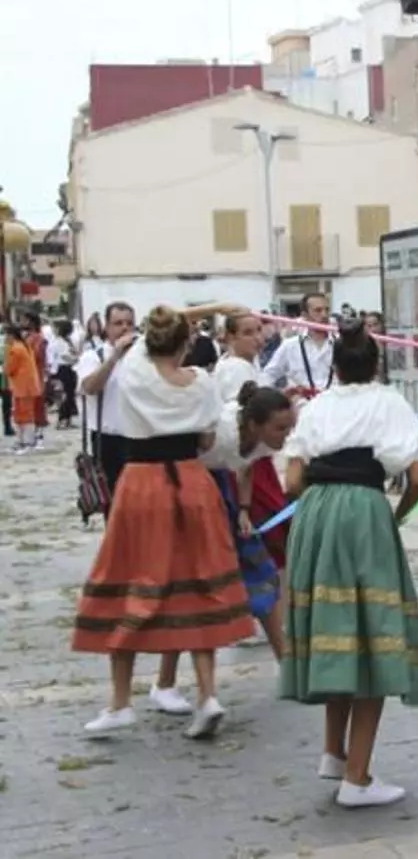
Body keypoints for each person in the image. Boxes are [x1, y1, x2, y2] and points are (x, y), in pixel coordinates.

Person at [72, 303, 255, 739]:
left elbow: (164, 318)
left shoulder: (135, 369)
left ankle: (120, 702)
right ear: (186, 343)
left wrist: (215, 307)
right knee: (200, 582)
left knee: (128, 581)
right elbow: (207, 439)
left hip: (141, 483)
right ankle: (207, 694)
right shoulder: (202, 382)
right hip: (192, 481)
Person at [280, 319, 418, 808]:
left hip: (316, 513)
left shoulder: (318, 406)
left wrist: (320, 504)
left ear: (337, 368)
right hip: (363, 511)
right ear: (375, 363)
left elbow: (292, 482)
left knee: (338, 627)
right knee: (372, 638)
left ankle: (334, 752)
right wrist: (395, 517)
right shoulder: (390, 402)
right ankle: (357, 779)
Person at [198, 382, 295, 659]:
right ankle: (170, 674)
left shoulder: (264, 442)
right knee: (198, 581)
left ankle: (283, 655)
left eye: (289, 428)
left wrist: (244, 509)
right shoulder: (220, 431)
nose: (286, 435)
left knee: (260, 567)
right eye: (280, 429)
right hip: (197, 485)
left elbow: (247, 468)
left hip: (227, 490)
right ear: (254, 425)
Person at [76, 303, 137, 521]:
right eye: (118, 323)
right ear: (107, 327)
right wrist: (114, 358)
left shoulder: (142, 357)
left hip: (138, 437)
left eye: (129, 323)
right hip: (108, 440)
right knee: (113, 506)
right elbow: (90, 387)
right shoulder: (94, 356)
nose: (124, 328)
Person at [263, 292, 335, 398]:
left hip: (334, 404)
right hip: (302, 405)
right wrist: (278, 397)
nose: (324, 315)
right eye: (318, 310)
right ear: (305, 315)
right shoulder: (290, 345)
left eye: (327, 310)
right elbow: (268, 375)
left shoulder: (341, 345)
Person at [4, 326, 42, 454]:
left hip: (23, 387)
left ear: (11, 336)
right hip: (26, 386)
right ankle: (22, 441)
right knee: (22, 415)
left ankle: (27, 442)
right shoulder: (23, 346)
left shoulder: (15, 349)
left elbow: (9, 369)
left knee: (24, 415)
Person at [20, 311, 49, 447]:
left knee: (38, 405)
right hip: (26, 375)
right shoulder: (26, 337)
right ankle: (30, 434)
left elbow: (38, 356)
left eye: (25, 320)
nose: (23, 323)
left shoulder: (39, 338)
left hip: (36, 374)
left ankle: (39, 433)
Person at [51, 319, 80, 428]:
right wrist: (76, 359)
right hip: (63, 369)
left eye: (56, 328)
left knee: (70, 395)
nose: (54, 330)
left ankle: (68, 419)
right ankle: (62, 419)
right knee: (64, 395)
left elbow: (72, 352)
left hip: (69, 369)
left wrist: (75, 357)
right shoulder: (59, 341)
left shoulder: (67, 340)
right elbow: (64, 356)